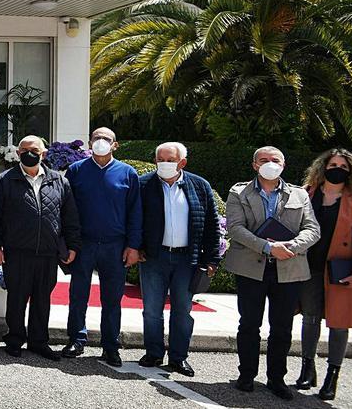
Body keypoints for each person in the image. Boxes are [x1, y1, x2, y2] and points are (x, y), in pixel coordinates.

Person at [222, 146, 320, 400]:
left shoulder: (299, 194)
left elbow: (312, 229)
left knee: (282, 327)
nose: (269, 163)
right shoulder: (239, 192)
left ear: (283, 165)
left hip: (288, 269)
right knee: (249, 324)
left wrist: (289, 248)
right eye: (263, 160)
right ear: (255, 165)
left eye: (275, 160)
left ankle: (277, 379)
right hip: (251, 269)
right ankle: (246, 375)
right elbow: (235, 228)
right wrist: (267, 247)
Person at [0, 135, 81, 360]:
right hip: (17, 252)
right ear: (17, 154)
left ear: (43, 153)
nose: (28, 153)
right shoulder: (3, 180)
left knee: (42, 299)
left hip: (48, 252)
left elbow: (70, 217)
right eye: (23, 149)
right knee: (16, 298)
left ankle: (39, 342)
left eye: (34, 149)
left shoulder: (59, 181)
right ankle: (15, 338)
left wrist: (73, 245)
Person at [295, 148, 352, 400]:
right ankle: (307, 368)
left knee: (339, 325)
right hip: (309, 267)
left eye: (344, 166)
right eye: (333, 164)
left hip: (340, 270)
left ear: (351, 172)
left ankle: (332, 376)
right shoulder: (306, 194)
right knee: (310, 319)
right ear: (323, 166)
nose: (337, 169)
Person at [136, 142, 221, 377]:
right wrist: (136, 247)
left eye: (169, 159)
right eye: (159, 159)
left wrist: (213, 260)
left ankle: (178, 357)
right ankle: (153, 353)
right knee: (152, 310)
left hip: (187, 259)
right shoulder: (144, 185)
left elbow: (212, 226)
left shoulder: (199, 186)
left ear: (182, 162)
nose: (163, 163)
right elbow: (134, 220)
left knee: (182, 310)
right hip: (154, 257)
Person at [61, 127, 142, 366]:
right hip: (83, 244)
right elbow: (66, 210)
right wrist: (68, 243)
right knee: (78, 295)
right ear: (89, 143)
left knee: (112, 298)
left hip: (114, 246)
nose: (101, 142)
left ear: (115, 145)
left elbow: (135, 212)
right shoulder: (76, 171)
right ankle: (76, 338)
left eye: (106, 139)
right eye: (96, 138)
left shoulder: (128, 173)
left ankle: (110, 345)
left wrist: (133, 246)